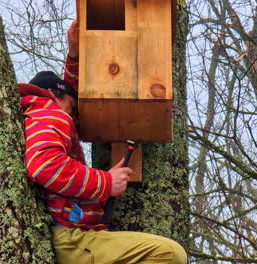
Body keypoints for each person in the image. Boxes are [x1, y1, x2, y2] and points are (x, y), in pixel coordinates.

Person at [18, 21, 187, 264]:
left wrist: (74, 57)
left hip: (73, 236)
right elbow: (45, 166)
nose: (75, 118)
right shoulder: (51, 114)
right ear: (55, 96)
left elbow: (73, 92)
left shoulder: (41, 112)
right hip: (73, 239)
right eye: (73, 109)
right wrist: (106, 182)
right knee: (169, 254)